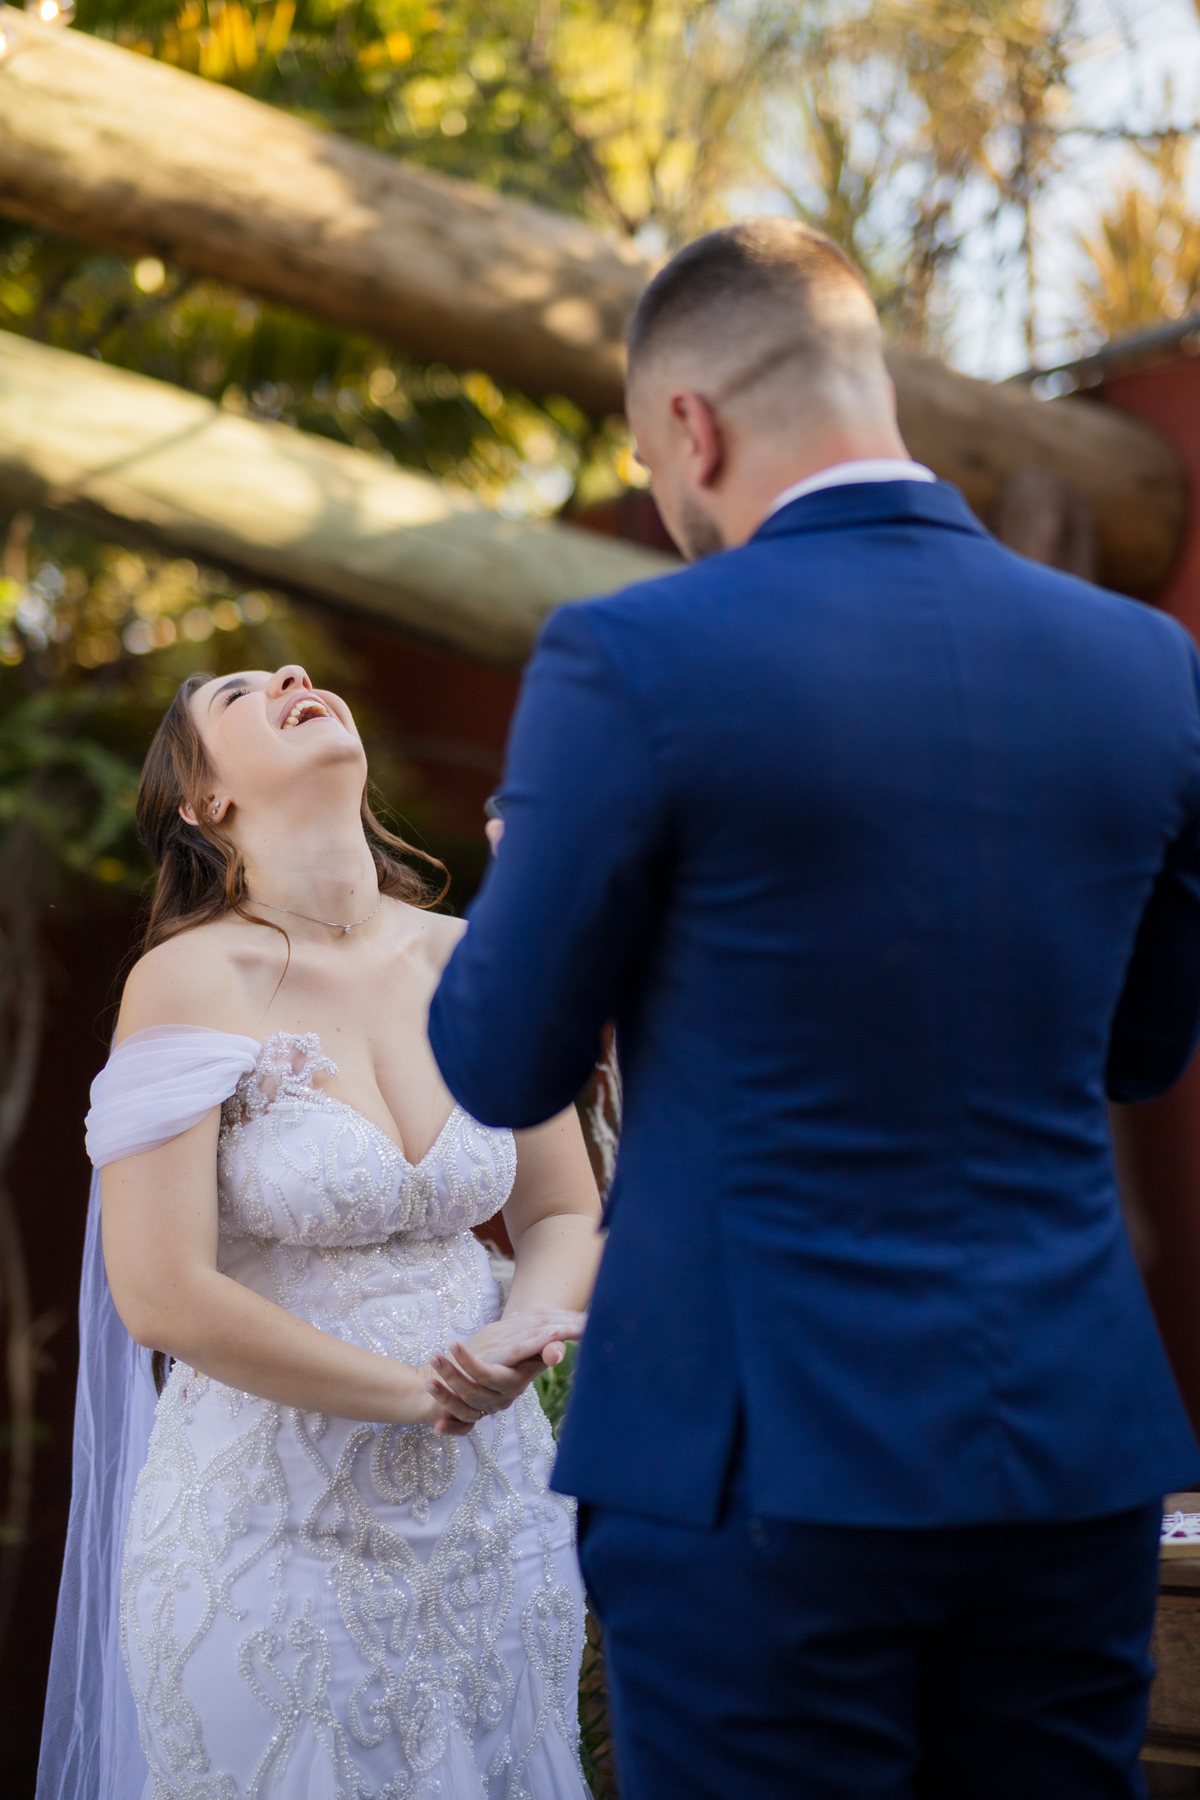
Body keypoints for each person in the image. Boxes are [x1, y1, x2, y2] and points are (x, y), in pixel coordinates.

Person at [428, 218, 1200, 1799]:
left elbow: (500, 1062)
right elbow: (1145, 1047)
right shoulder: (1146, 664)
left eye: (649, 462)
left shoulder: (633, 654)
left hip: (758, 1461)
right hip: (1068, 1452)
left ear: (691, 427)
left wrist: (536, 882)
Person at [37, 665, 601, 1800]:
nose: (295, 679)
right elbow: (162, 1292)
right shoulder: (189, 980)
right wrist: (429, 1392)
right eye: (240, 694)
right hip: (276, 1538)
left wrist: (529, 1329)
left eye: (293, 675)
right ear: (204, 801)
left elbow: (561, 1207)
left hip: (494, 1518)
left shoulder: (481, 958)